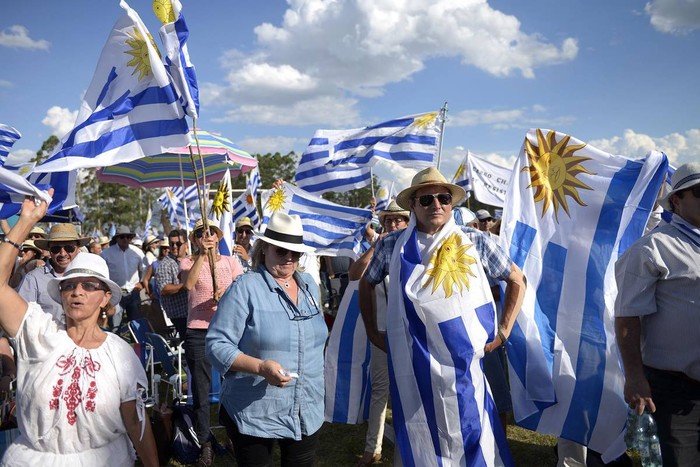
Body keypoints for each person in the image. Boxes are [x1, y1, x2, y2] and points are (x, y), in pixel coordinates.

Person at [359, 167, 526, 466]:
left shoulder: (476, 241)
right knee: (418, 431)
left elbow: (517, 279)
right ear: (412, 205)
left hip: (465, 363)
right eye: (426, 200)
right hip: (414, 361)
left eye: (443, 198)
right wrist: (373, 331)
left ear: (451, 203)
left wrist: (504, 330)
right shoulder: (391, 245)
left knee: (471, 427)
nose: (436, 205)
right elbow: (365, 282)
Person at [0, 194, 157, 467]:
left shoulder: (119, 354)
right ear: (60, 294)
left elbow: (135, 421)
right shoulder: (38, 331)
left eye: (89, 286)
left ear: (106, 297)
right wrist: (25, 221)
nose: (78, 292)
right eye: (69, 286)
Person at [206, 212, 326, 467]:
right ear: (265, 249)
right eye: (282, 251)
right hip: (255, 411)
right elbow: (216, 345)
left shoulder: (308, 285)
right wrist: (260, 367)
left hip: (307, 405)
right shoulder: (245, 288)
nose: (289, 258)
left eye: (296, 253)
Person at [615, 161, 700, 466]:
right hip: (677, 387)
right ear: (676, 200)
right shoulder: (653, 249)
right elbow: (627, 318)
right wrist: (635, 377)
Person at [349, 200, 409, 466]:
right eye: (388, 221)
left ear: (408, 222)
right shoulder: (379, 249)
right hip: (383, 333)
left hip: (412, 334)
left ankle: (411, 444)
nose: (393, 225)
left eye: (398, 220)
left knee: (410, 391)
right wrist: (375, 247)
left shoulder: (416, 249)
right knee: (380, 391)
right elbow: (354, 275)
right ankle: (372, 449)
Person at [181, 219, 243, 467]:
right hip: (198, 332)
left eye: (210, 233)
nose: (206, 236)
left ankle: (233, 437)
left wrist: (224, 295)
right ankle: (206, 443)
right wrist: (202, 256)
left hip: (228, 331)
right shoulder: (187, 260)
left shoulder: (230, 262)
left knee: (234, 386)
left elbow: (240, 290)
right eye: (200, 233)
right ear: (195, 239)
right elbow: (188, 283)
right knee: (201, 390)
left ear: (218, 237)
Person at [17, 223, 90, 322]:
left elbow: (111, 309)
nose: (63, 254)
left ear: (78, 249)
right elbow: (22, 315)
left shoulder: (89, 274)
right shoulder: (34, 278)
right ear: (49, 250)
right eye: (56, 249)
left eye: (69, 248)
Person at [101, 226, 145, 322]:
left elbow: (144, 269)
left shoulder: (138, 252)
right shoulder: (106, 254)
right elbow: (102, 274)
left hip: (134, 292)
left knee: (136, 324)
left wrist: (141, 283)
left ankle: (134, 337)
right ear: (117, 238)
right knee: (115, 327)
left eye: (128, 237)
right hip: (116, 293)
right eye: (122, 237)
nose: (125, 239)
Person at [155, 230, 189, 340]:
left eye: (178, 244)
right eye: (171, 244)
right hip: (180, 314)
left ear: (186, 245)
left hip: (193, 311)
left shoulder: (192, 260)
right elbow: (164, 289)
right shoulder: (165, 264)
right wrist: (185, 286)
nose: (174, 246)